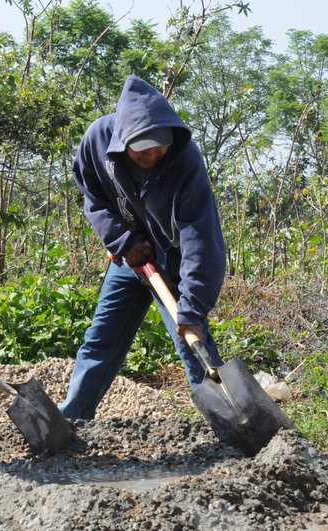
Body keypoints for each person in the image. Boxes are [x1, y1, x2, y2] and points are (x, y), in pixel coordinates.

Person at [59, 75, 226, 420]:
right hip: (129, 260)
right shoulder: (98, 140)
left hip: (176, 264)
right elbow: (93, 198)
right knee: (101, 341)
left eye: (160, 145)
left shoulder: (184, 160)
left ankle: (227, 423)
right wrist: (123, 240)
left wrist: (192, 307)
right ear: (123, 140)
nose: (155, 153)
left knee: (191, 341)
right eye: (144, 147)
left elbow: (201, 237)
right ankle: (70, 419)